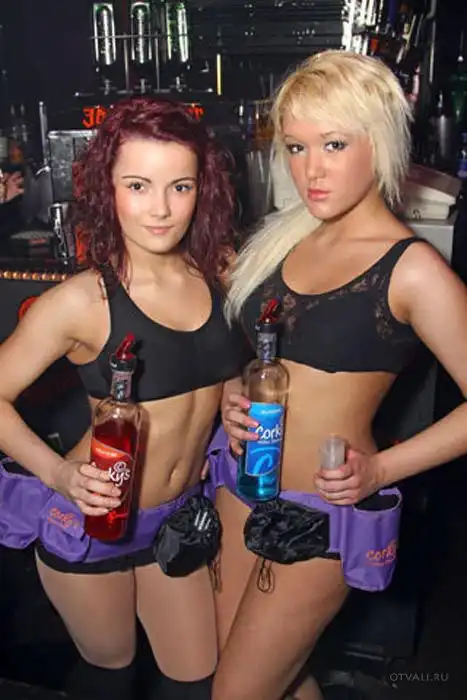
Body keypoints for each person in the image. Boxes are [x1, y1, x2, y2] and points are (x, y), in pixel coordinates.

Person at [208, 50, 467, 700]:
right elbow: (253, 354)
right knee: (270, 676)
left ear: (378, 143)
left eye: (333, 144)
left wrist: (381, 470)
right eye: (296, 147)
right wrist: (234, 394)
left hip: (320, 514)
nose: (310, 169)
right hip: (241, 485)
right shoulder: (285, 238)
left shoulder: (412, 270)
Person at [0, 97, 246, 700]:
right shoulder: (83, 301)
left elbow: (220, 371)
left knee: (198, 679)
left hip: (176, 522)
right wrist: (59, 473)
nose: (160, 209)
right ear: (107, 189)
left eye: (180, 186)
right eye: (138, 185)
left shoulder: (222, 271)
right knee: (111, 676)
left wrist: (234, 403)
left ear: (203, 189)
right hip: (91, 526)